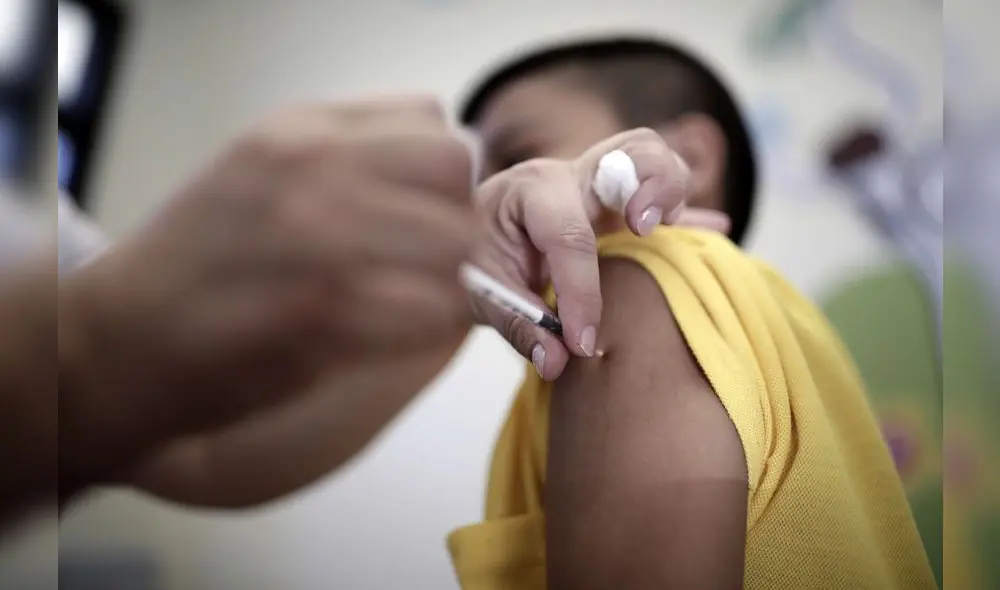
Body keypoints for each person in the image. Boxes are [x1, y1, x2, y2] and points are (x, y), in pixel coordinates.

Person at [445, 37, 937, 589]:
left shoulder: (630, 282)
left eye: (516, 157)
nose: (487, 200)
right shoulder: (783, 326)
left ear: (694, 159)